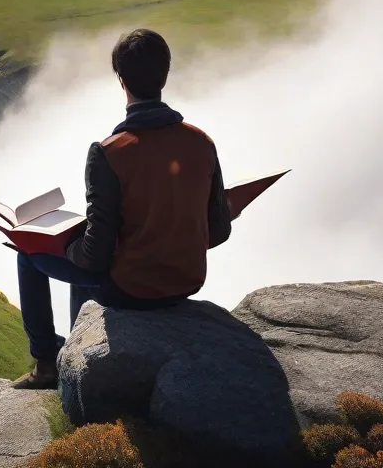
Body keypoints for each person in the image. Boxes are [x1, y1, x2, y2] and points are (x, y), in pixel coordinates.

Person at [12, 28, 233, 390]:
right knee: (84, 265)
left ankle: (47, 364)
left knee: (30, 255)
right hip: (185, 281)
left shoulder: (110, 152)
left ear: (121, 80)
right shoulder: (201, 142)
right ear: (165, 73)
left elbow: (95, 255)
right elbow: (219, 231)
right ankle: (76, 347)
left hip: (131, 289)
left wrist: (64, 246)